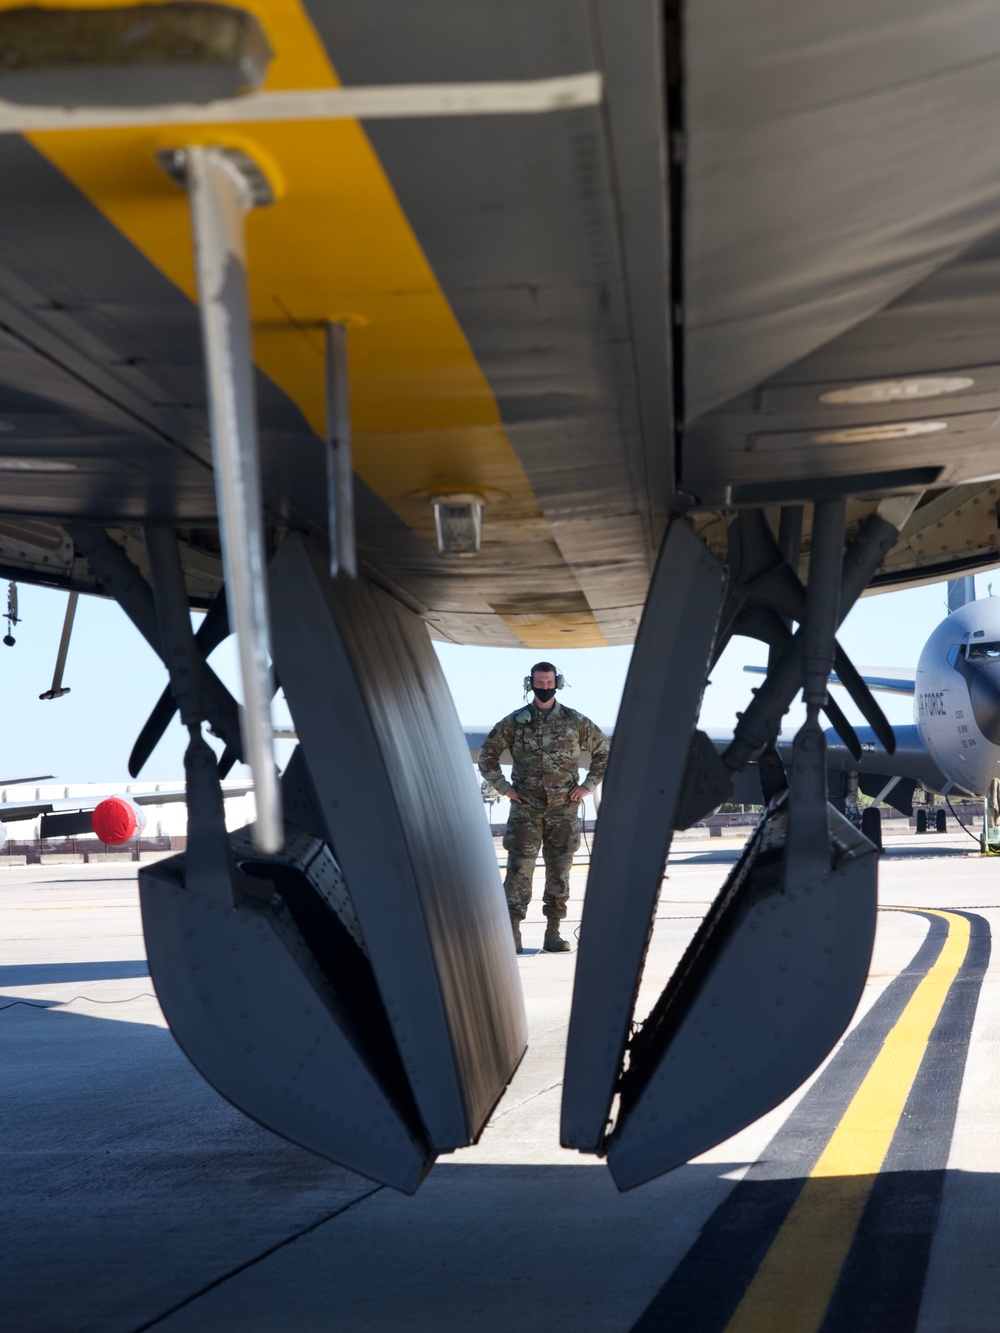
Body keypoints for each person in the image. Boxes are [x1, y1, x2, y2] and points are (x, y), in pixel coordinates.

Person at [478, 662, 609, 953]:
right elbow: (487, 756)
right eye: (540, 682)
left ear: (557, 683)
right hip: (526, 809)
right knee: (518, 872)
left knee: (559, 871)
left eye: (549, 683)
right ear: (531, 683)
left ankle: (553, 933)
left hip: (564, 809)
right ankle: (512, 934)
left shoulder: (575, 721)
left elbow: (604, 751)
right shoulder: (515, 722)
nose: (545, 688)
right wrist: (506, 789)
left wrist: (588, 785)